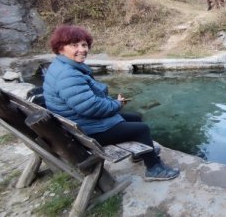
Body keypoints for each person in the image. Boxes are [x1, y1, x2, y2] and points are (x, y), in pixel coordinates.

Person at [42, 25, 179, 181]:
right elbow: (91, 107)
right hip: (87, 132)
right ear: (60, 49)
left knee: (135, 117)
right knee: (142, 129)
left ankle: (139, 153)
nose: (82, 49)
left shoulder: (61, 66)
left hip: (76, 125)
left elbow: (84, 101)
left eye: (84, 45)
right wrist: (116, 105)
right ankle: (154, 168)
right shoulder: (68, 75)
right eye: (74, 45)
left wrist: (113, 103)